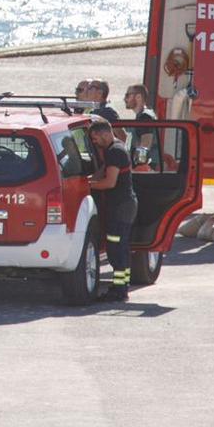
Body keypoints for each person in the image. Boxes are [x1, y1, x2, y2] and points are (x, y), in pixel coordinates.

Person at [85, 119, 137, 301]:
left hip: (121, 207)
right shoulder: (113, 149)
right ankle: (121, 286)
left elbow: (109, 182)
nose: (94, 142)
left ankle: (120, 290)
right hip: (122, 206)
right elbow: (101, 172)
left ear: (105, 133)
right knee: (119, 247)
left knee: (117, 248)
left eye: (95, 138)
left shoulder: (115, 152)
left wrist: (86, 188)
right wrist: (86, 180)